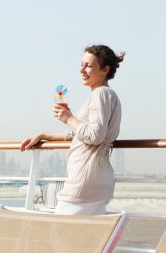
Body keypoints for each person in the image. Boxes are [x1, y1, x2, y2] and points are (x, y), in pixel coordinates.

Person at [20, 45, 125, 215]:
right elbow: (83, 133)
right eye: (81, 64)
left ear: (105, 69)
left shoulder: (100, 94)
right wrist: (45, 135)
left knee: (60, 236)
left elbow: (95, 135)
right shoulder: (107, 95)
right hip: (96, 180)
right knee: (87, 239)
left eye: (89, 65)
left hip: (83, 182)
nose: (82, 70)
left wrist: (69, 119)